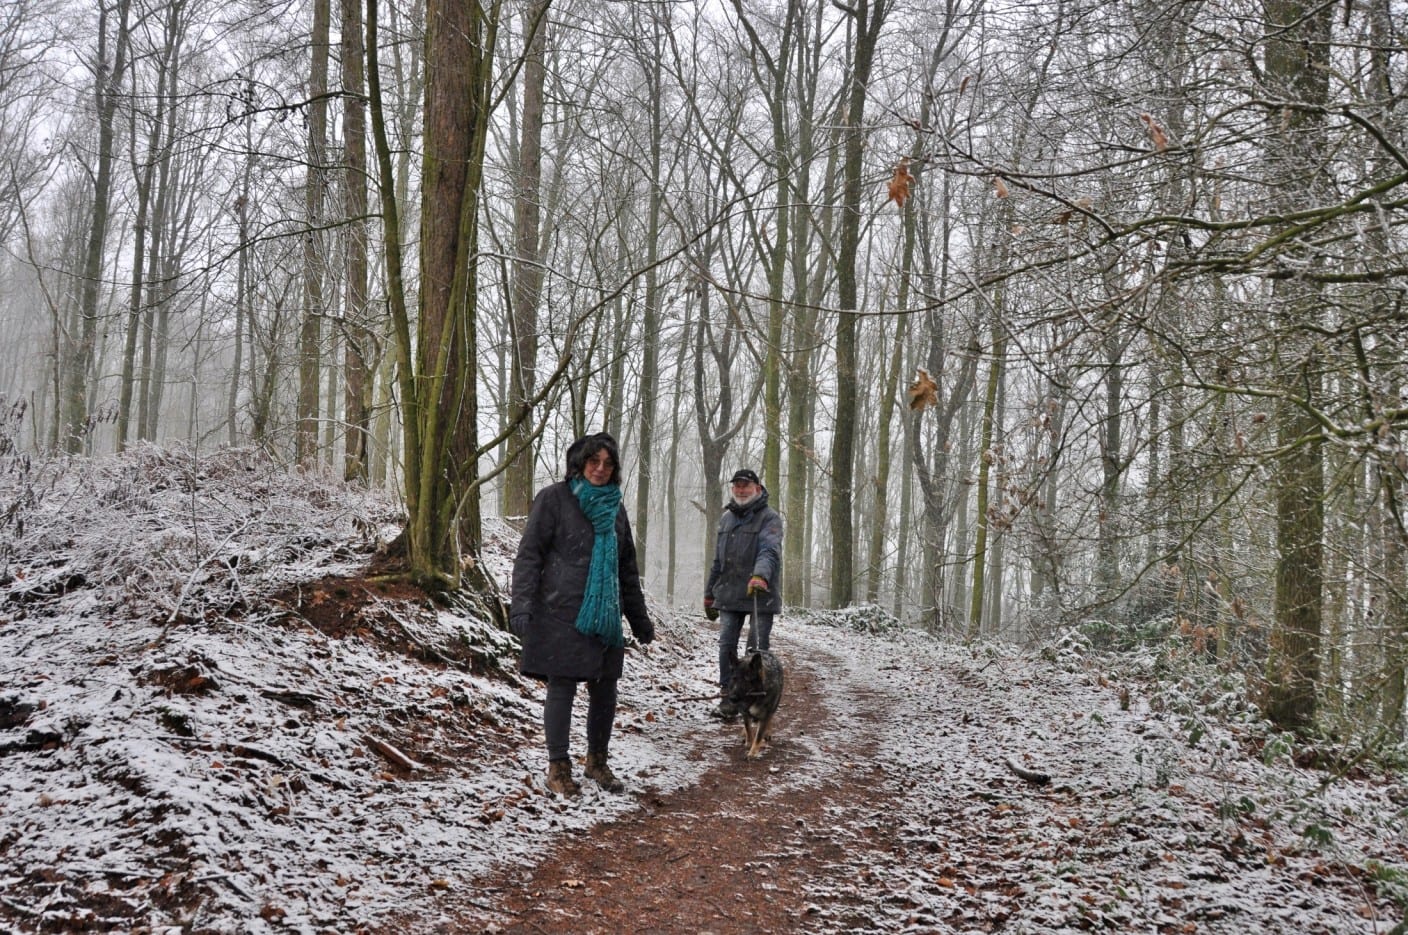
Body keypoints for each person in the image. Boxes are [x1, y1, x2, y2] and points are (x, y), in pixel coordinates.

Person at [510, 432, 655, 796]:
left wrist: (639, 620)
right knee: (562, 687)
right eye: (594, 462)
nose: (600, 469)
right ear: (579, 463)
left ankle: (597, 762)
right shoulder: (554, 500)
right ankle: (558, 767)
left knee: (605, 690)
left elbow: (626, 569)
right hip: (560, 611)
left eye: (608, 464)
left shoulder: (616, 508)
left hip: (605, 617)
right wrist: (521, 605)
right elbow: (529, 556)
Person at [704, 468, 782, 720]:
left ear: (757, 489)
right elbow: (718, 560)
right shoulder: (726, 519)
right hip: (728, 593)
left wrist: (760, 575)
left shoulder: (769, 519)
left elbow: (769, 551)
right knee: (727, 645)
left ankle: (756, 699)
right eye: (737, 486)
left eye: (746, 486)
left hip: (760, 593)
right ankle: (729, 696)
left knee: (756, 651)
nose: (740, 490)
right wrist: (709, 593)